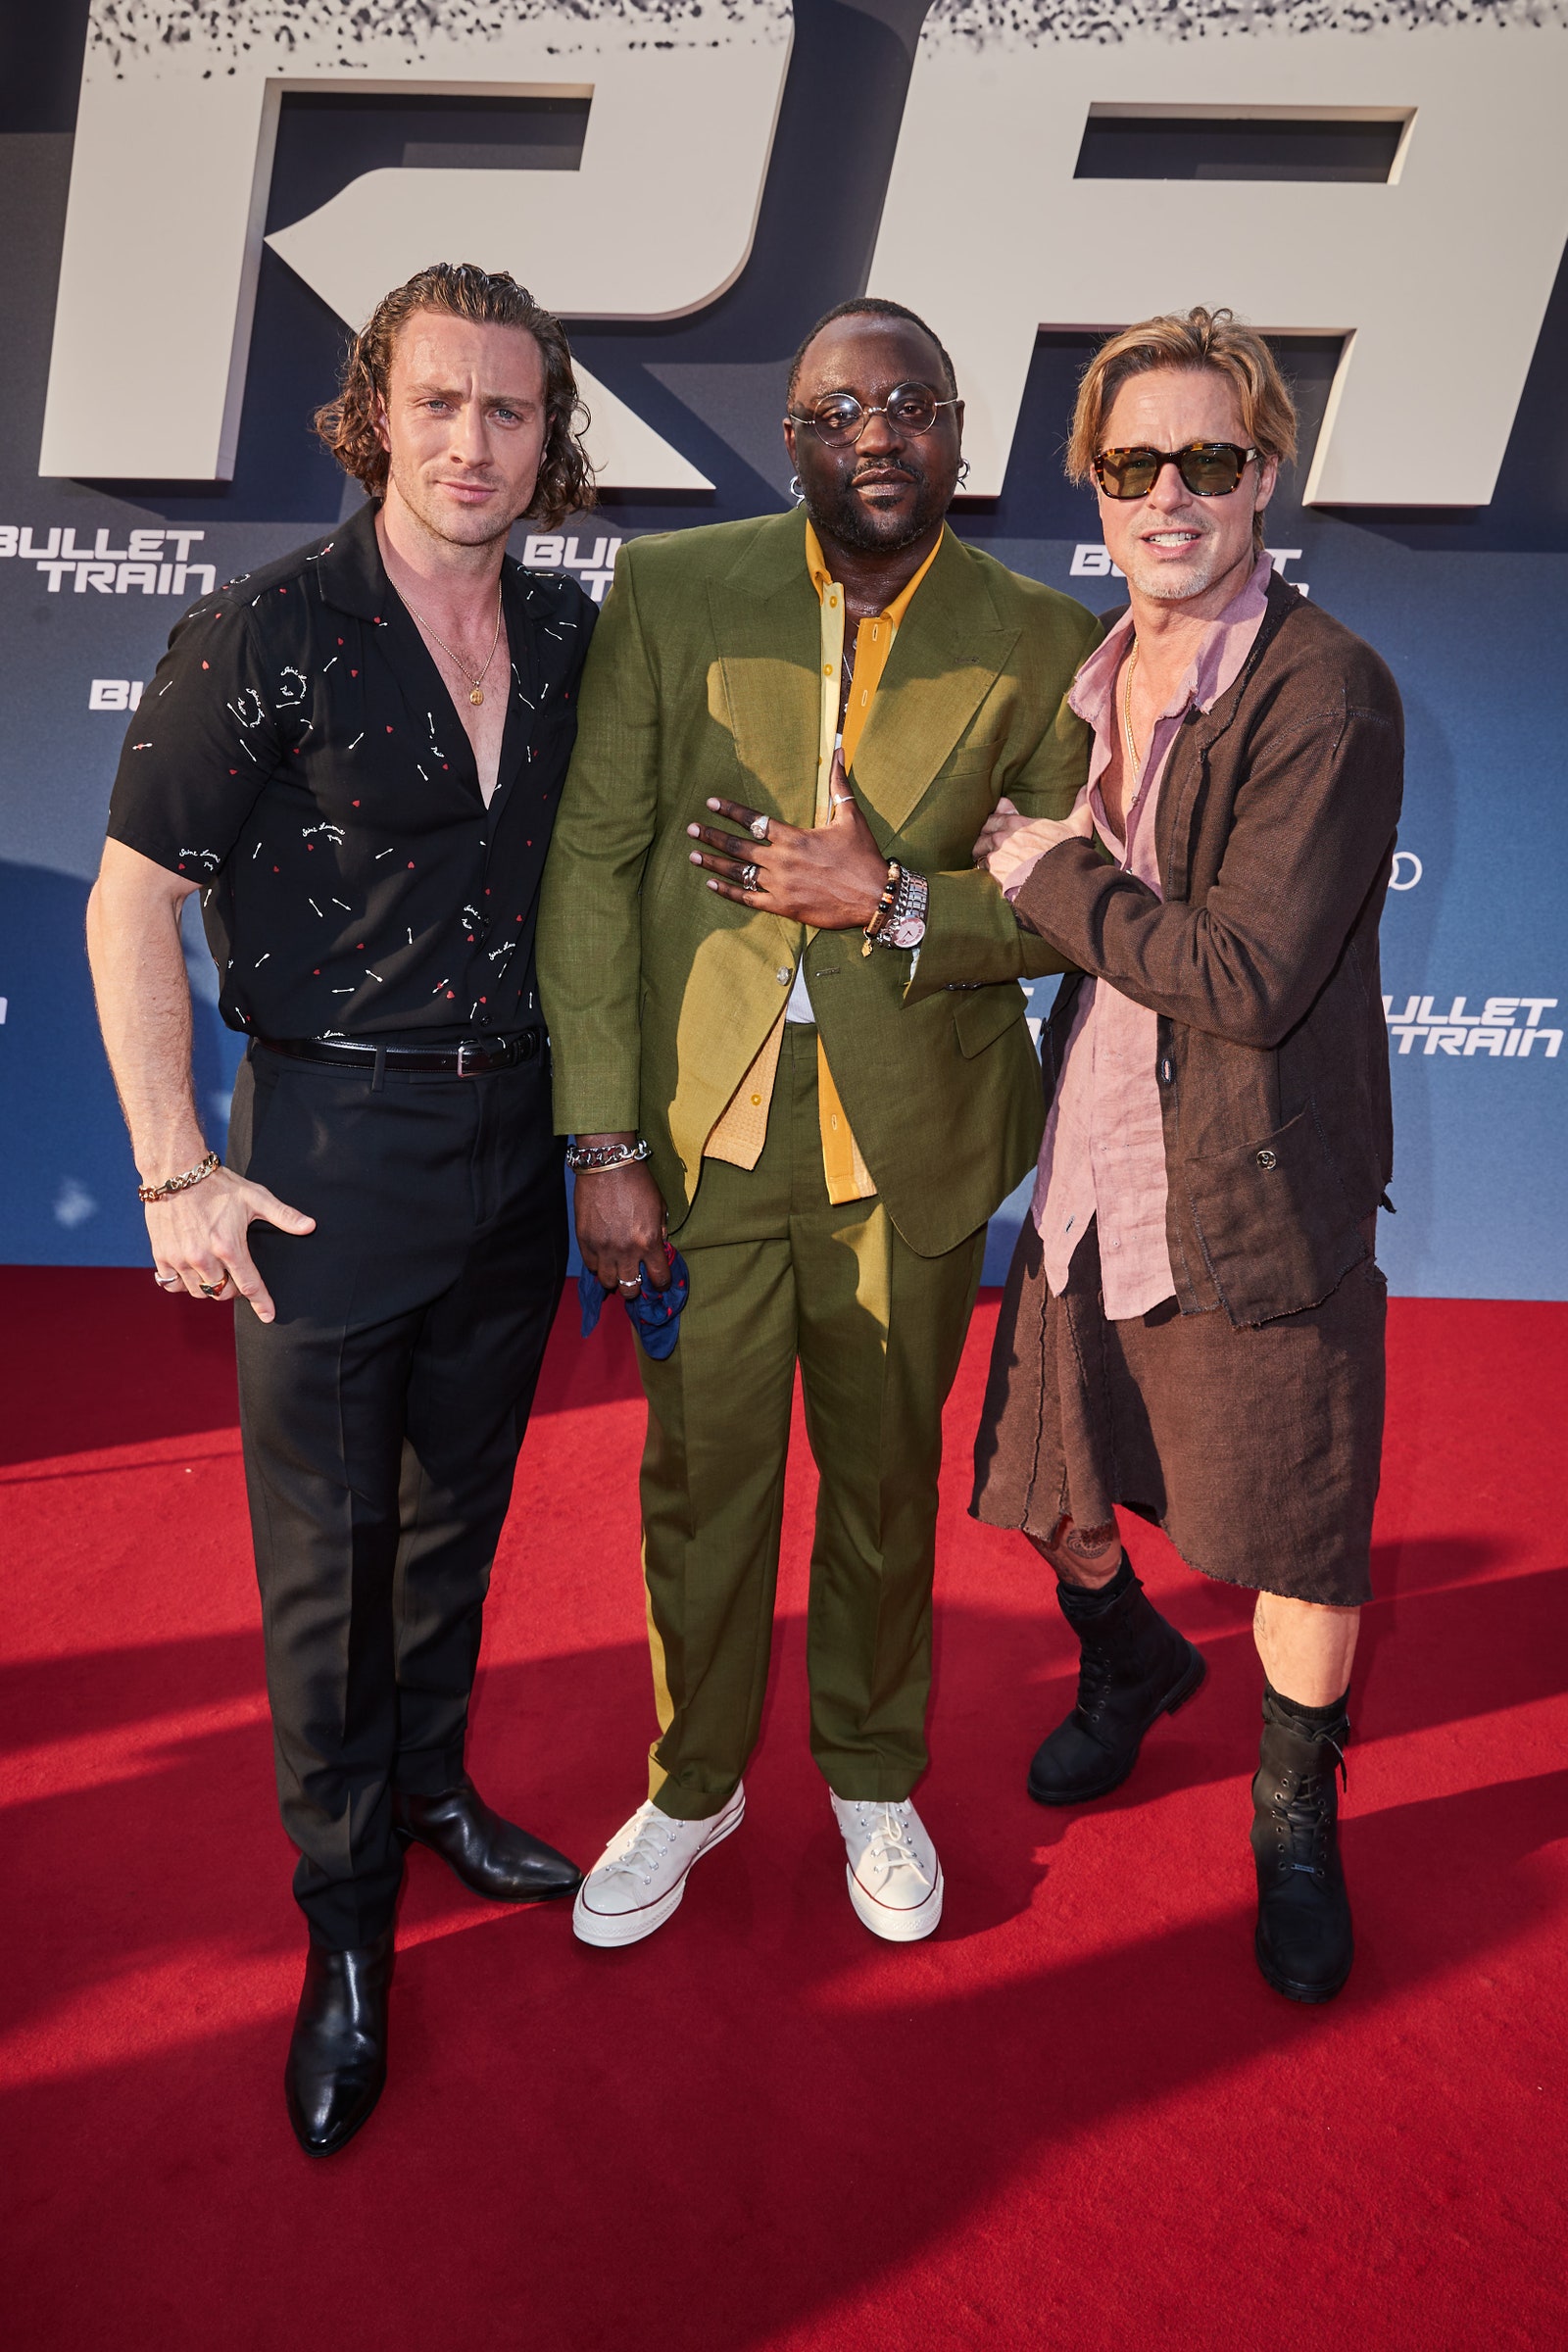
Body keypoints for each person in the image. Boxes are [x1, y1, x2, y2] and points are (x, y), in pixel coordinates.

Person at [86, 264, 596, 2156]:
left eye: (513, 412)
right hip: (322, 1155)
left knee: (457, 1515)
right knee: (328, 1568)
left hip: (513, 1146)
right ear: (379, 410)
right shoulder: (266, 632)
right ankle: (347, 1931)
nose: (476, 443)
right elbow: (130, 897)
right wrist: (171, 1164)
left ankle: (439, 1790)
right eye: (443, 403)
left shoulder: (560, 638)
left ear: (553, 441)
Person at [538, 298, 1097, 1949]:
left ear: (959, 435)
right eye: (838, 409)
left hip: (904, 1137)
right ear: (790, 438)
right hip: (699, 1134)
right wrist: (602, 1141)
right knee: (701, 1486)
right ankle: (693, 1784)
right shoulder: (676, 589)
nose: (875, 433)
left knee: (879, 1480)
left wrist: (896, 906)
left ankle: (870, 1772)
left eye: (909, 402)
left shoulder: (1046, 641)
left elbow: (1075, 912)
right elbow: (592, 867)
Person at [971, 307, 1403, 2003]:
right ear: (1094, 482)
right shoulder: (1092, 667)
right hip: (1091, 1148)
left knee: (1299, 1529)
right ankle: (1132, 1661)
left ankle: (1295, 1813)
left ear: (1263, 477)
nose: (1170, 493)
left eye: (1206, 461)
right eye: (1134, 461)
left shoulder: (1330, 692)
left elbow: (1244, 973)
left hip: (1256, 1178)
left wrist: (1043, 872)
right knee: (1051, 1478)